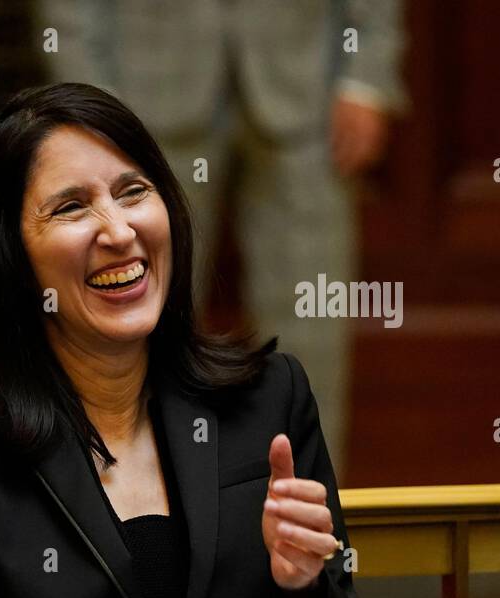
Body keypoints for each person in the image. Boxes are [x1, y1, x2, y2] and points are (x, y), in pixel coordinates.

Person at [0, 83, 378, 598]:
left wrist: (302, 590)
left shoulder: (268, 398)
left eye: (133, 191)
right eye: (70, 208)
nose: (118, 230)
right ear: (7, 253)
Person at [38, 0, 409, 477]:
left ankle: (312, 512)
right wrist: (88, 97)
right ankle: (134, 507)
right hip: (143, 93)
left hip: (310, 90)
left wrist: (367, 77)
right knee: (134, 316)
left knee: (313, 314)